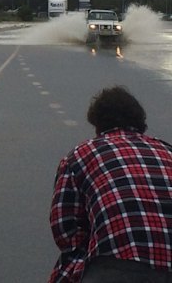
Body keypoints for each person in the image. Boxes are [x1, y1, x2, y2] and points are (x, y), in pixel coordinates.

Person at [49, 86, 172, 282]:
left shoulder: (80, 155)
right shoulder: (168, 151)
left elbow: (65, 228)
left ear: (98, 126)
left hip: (119, 265)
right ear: (141, 123)